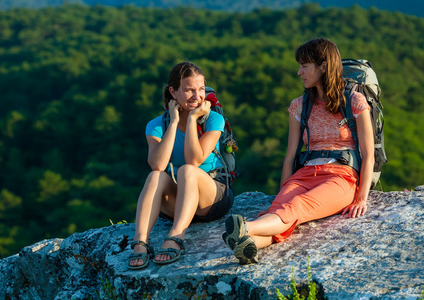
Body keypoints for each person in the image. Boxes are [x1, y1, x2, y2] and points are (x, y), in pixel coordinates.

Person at [222, 38, 374, 264]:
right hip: (304, 175)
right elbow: (291, 154)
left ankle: (244, 227)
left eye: (304, 66)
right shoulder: (299, 105)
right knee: (280, 211)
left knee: (295, 207)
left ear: (323, 66)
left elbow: (368, 153)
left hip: (341, 178)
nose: (298, 72)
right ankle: (248, 243)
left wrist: (362, 198)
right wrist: (284, 189)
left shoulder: (354, 100)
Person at [128, 61, 234, 269]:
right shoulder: (157, 125)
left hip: (212, 198)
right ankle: (140, 242)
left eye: (201, 89)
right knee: (155, 177)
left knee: (187, 169)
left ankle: (176, 236)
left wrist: (193, 119)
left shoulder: (213, 119)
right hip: (179, 201)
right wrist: (174, 122)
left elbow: (194, 160)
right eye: (189, 90)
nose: (197, 96)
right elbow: (157, 165)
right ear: (173, 92)